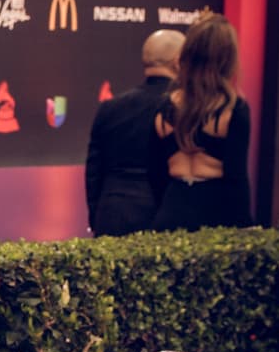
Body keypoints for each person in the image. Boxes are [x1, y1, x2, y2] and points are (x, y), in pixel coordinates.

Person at [149, 12, 253, 231]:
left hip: (171, 211)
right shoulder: (234, 110)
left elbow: (155, 175)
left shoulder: (164, 108)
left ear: (187, 54)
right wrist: (246, 230)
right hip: (215, 215)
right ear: (227, 59)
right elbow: (236, 180)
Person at [84, 29, 184, 236]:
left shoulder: (109, 107)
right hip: (162, 214)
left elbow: (94, 172)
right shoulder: (181, 108)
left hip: (110, 214)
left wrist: (97, 216)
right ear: (178, 62)